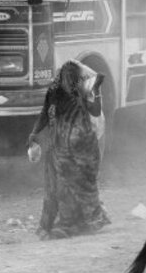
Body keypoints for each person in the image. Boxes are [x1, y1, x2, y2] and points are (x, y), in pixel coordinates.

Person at [27, 59, 110, 239]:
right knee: (56, 186)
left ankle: (70, 224)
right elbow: (45, 113)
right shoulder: (54, 93)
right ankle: (59, 223)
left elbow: (95, 113)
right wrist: (34, 134)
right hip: (60, 145)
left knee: (79, 184)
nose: (70, 81)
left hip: (83, 145)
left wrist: (97, 89)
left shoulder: (81, 91)